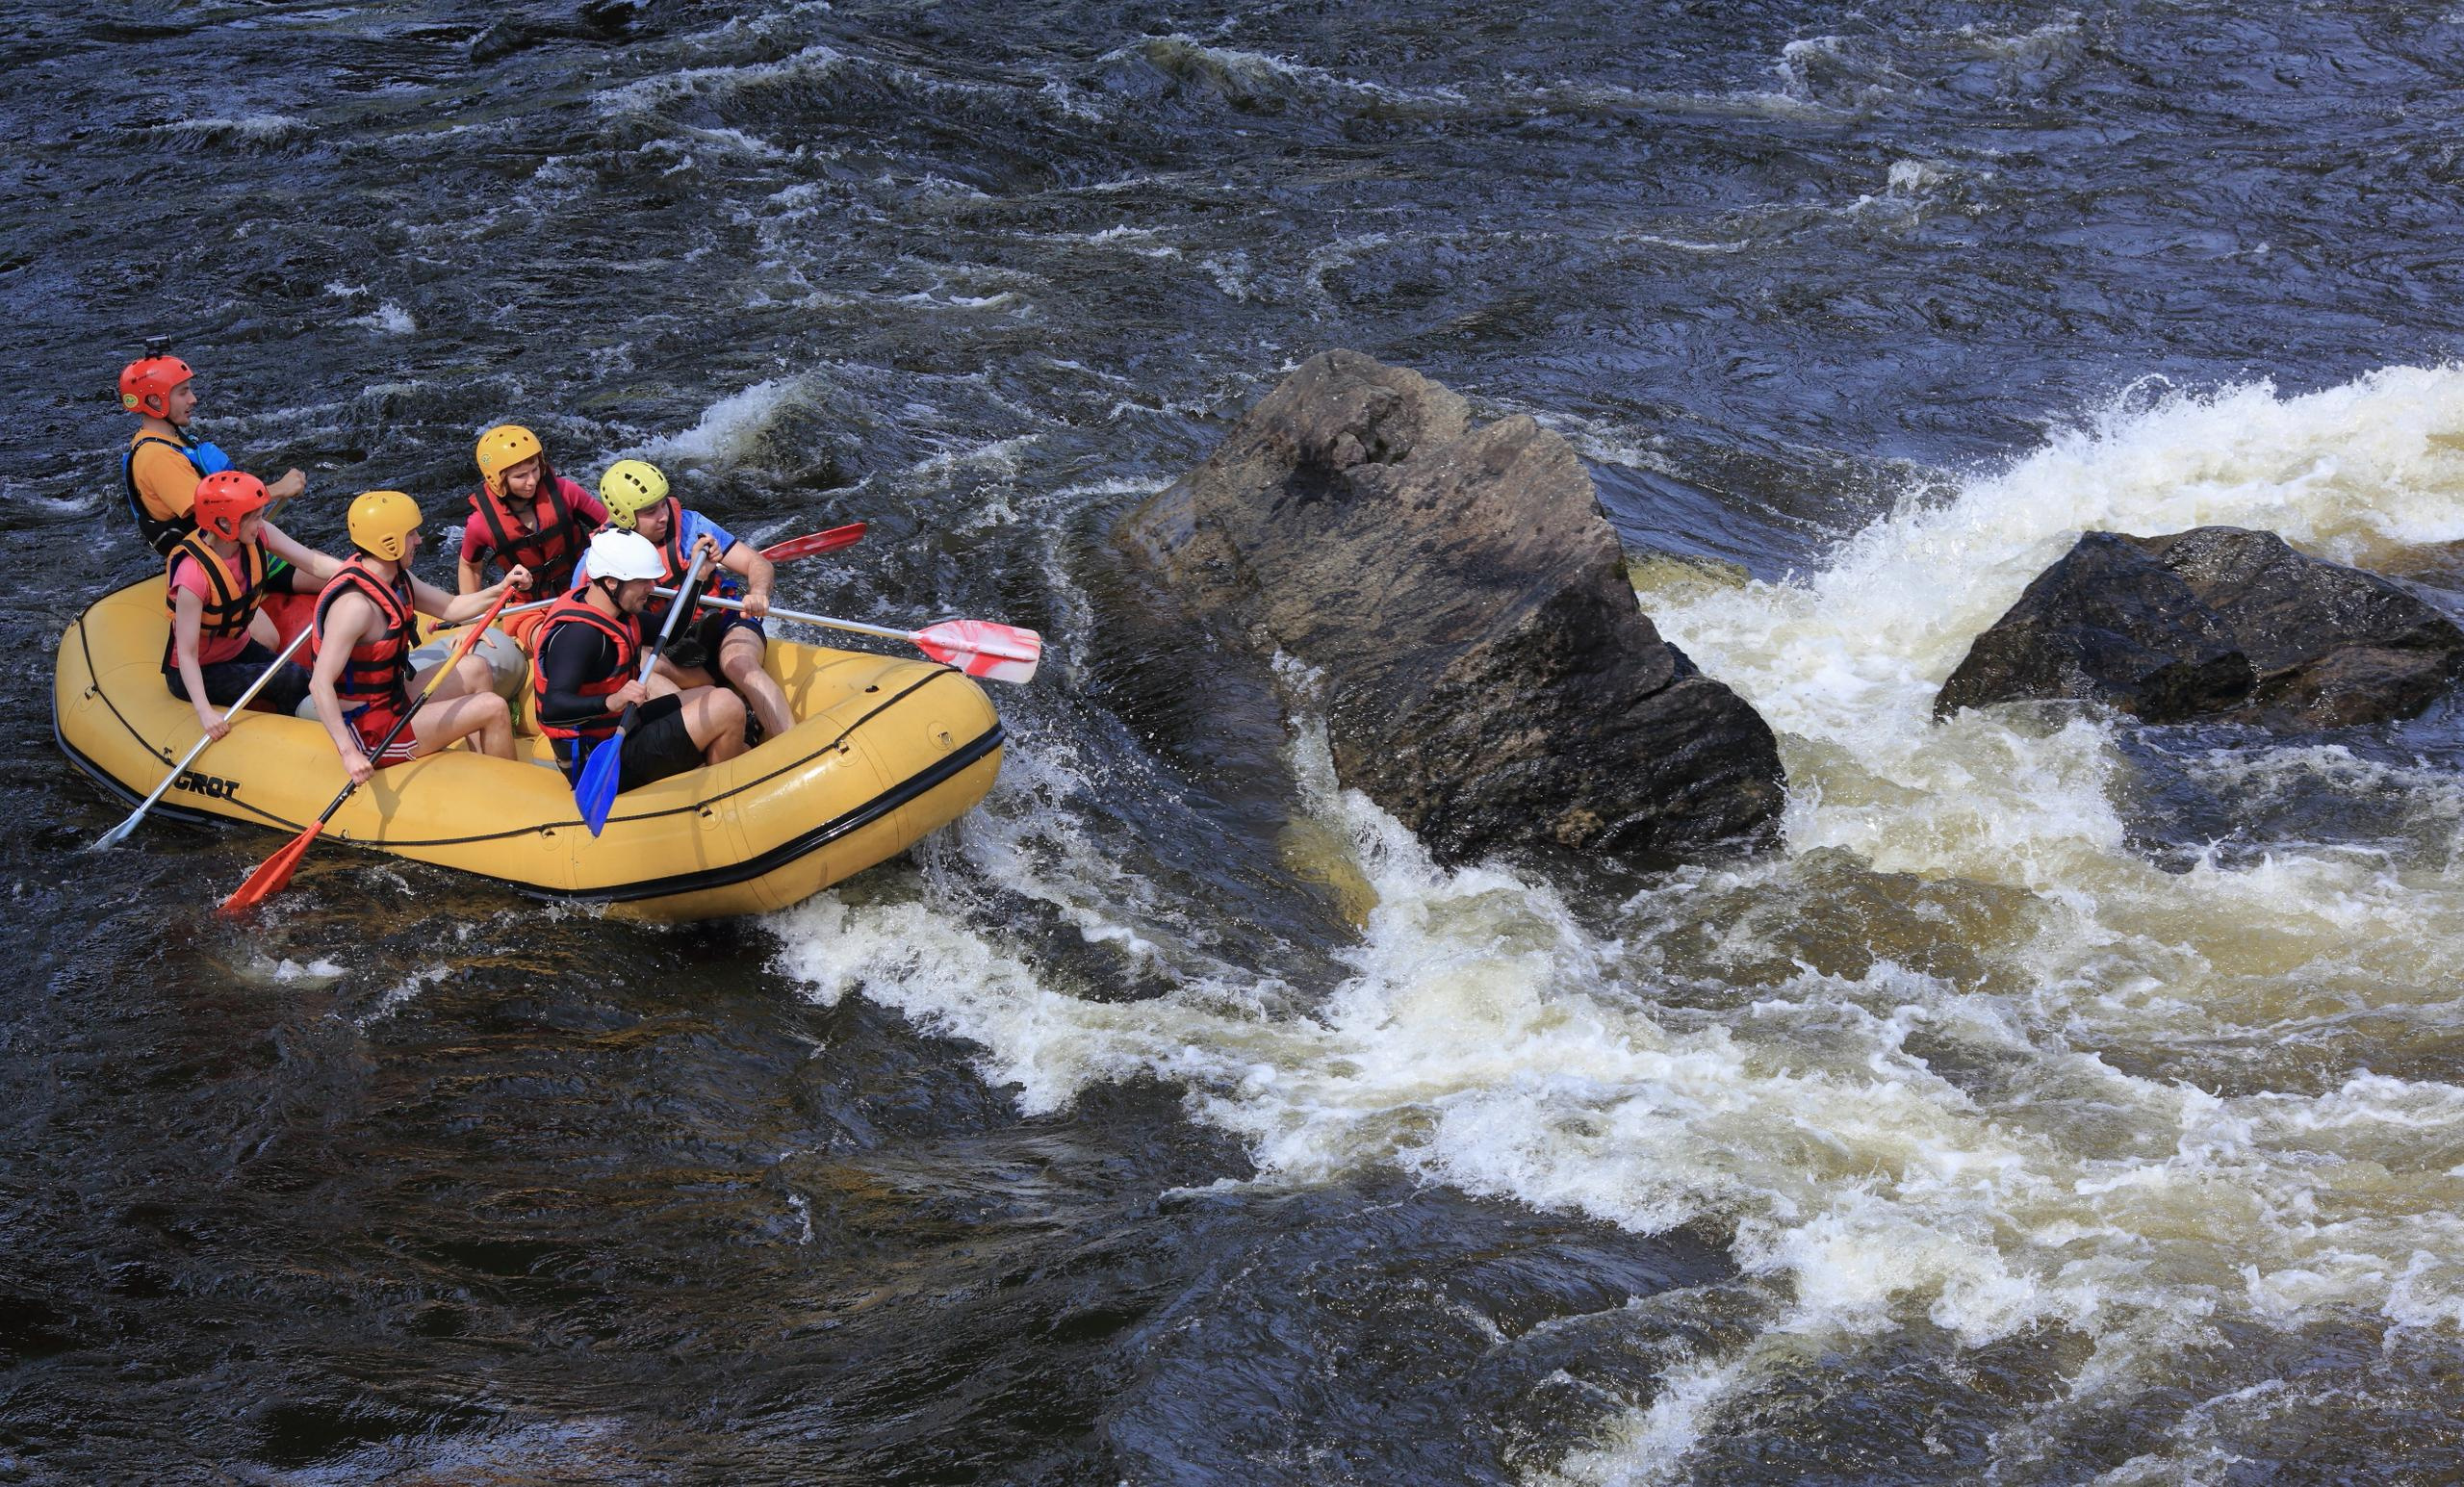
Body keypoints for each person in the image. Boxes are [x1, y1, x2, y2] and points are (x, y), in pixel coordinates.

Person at [310, 491, 530, 785]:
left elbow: (451, 608)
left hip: (392, 698)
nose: (418, 540)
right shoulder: (354, 608)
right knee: (493, 706)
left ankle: (484, 771)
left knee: (476, 667)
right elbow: (319, 683)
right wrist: (349, 753)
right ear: (388, 543)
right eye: (411, 534)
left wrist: (503, 587)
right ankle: (510, 793)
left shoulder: (397, 578)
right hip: (370, 732)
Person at [530, 529, 746, 792]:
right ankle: (719, 797)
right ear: (611, 582)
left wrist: (697, 578)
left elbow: (668, 630)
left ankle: (712, 767)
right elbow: (552, 709)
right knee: (728, 706)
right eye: (642, 582)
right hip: (600, 763)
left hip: (623, 729)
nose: (651, 589)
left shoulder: (616, 612)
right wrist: (611, 701)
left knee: (709, 694)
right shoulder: (580, 636)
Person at [597, 458, 792, 742]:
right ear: (625, 516)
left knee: (738, 663)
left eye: (663, 504)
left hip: (724, 627)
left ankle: (790, 741)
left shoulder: (691, 526)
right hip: (674, 650)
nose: (663, 515)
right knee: (635, 666)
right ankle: (710, 732)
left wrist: (759, 591)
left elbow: (757, 563)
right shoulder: (607, 551)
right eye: (650, 511)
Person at [163, 472, 344, 740]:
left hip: (238, 648)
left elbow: (312, 563)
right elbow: (187, 653)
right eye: (255, 518)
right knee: (288, 679)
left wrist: (356, 572)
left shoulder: (259, 535)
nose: (262, 523)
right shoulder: (193, 576)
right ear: (225, 523)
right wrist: (205, 712)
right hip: (198, 670)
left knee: (305, 678)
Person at [119, 347, 308, 557]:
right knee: (329, 575)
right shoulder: (157, 457)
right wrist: (279, 489)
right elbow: (217, 510)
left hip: (227, 550)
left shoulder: (170, 440)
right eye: (183, 392)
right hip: (214, 562)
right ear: (155, 401)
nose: (193, 399)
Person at [457, 423, 603, 646]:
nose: (532, 481)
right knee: (555, 646)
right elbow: (470, 566)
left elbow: (606, 525)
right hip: (527, 608)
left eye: (535, 469)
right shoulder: (481, 523)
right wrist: (469, 621)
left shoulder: (565, 492)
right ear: (498, 480)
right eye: (520, 476)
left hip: (582, 591)